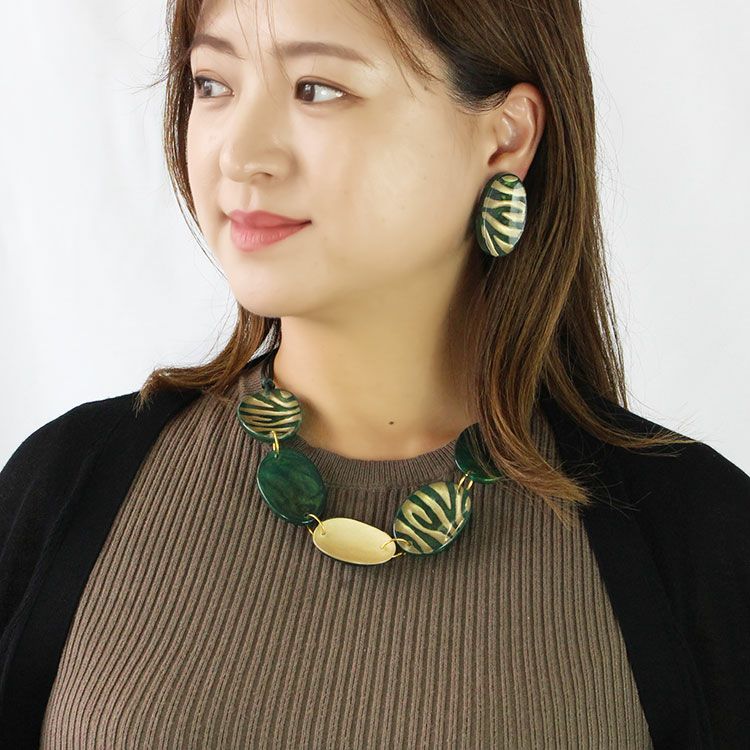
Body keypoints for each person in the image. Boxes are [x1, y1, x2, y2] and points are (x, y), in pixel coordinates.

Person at [1, 0, 748, 747]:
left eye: (317, 89)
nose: (240, 155)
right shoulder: (65, 485)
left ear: (505, 137)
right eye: (212, 83)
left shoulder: (701, 538)